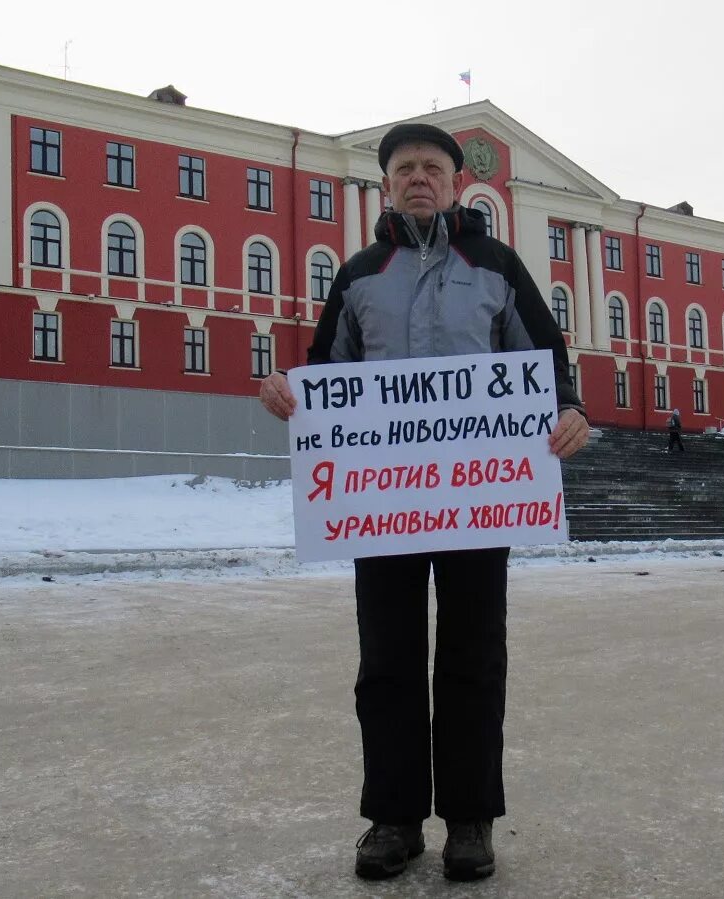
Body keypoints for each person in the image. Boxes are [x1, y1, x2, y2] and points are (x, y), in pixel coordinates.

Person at [258, 122, 589, 882]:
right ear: (385, 184)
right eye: (403, 167)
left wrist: (568, 409)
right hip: (384, 505)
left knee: (474, 656)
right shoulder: (360, 273)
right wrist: (289, 395)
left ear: (453, 182)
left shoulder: (497, 264)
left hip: (481, 498)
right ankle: (394, 819)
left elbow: (544, 358)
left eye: (431, 167)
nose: (417, 178)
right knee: (388, 659)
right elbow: (325, 376)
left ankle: (471, 819)